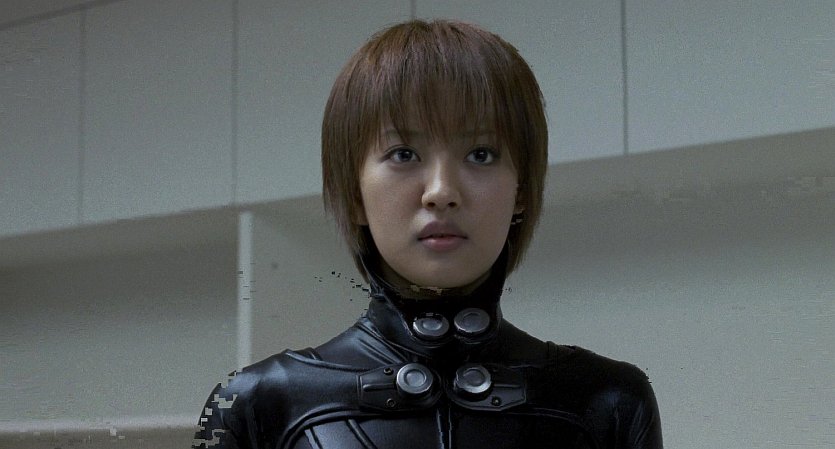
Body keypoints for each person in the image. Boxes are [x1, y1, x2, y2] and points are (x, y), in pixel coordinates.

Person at [193, 19, 662, 449]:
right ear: (354, 193)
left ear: (521, 190)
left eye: (481, 154)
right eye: (403, 154)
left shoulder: (610, 401)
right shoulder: (252, 404)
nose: (441, 192)